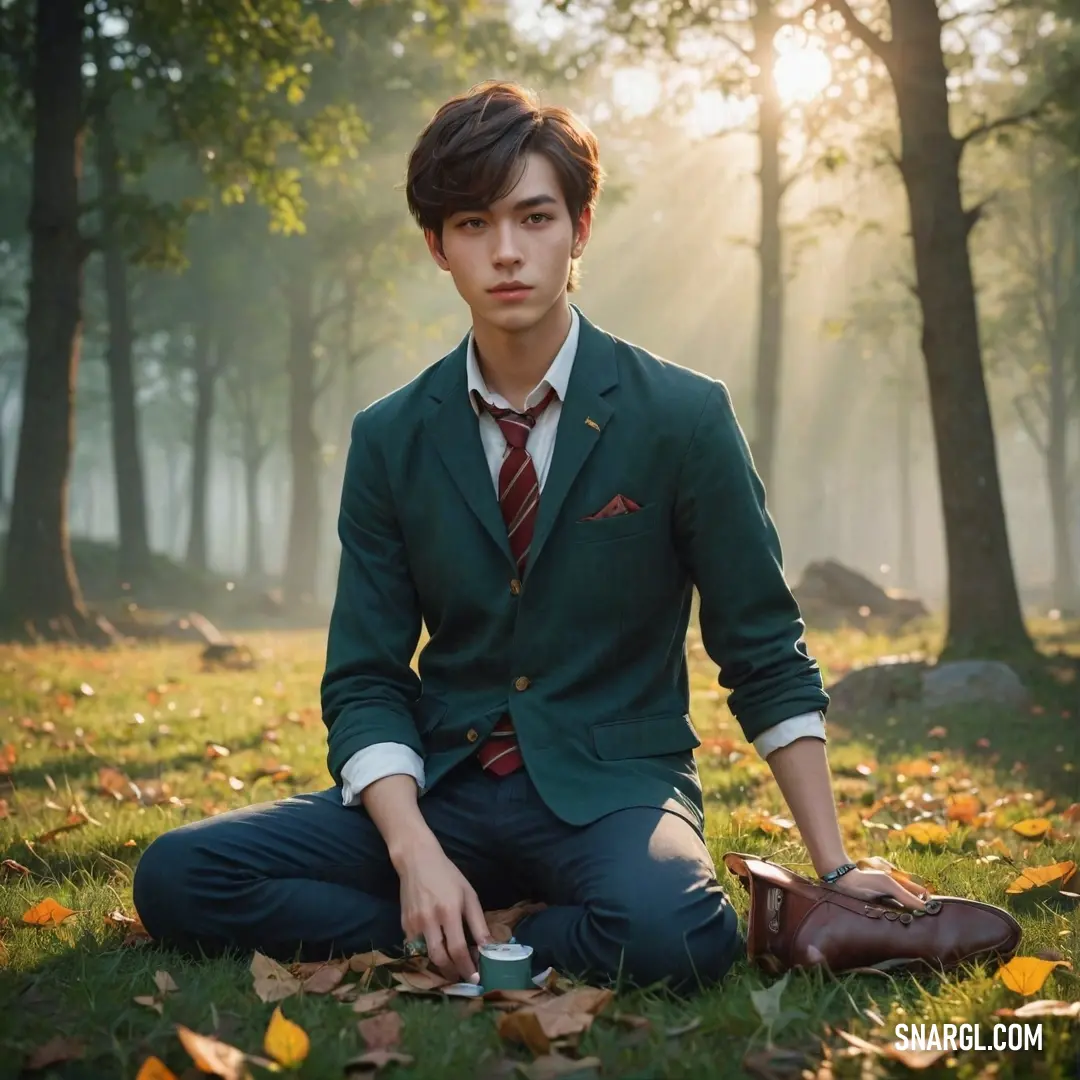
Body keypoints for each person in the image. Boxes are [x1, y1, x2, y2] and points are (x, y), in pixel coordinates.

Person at [132, 80, 928, 994]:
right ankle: (463, 917)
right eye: (472, 224)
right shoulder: (389, 436)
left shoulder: (683, 416)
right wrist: (414, 849)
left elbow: (763, 648)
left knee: (679, 934)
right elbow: (365, 677)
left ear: (579, 228)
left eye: (534, 216)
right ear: (437, 245)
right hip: (446, 784)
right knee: (180, 876)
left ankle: (481, 935)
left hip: (612, 790)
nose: (506, 252)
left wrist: (833, 874)